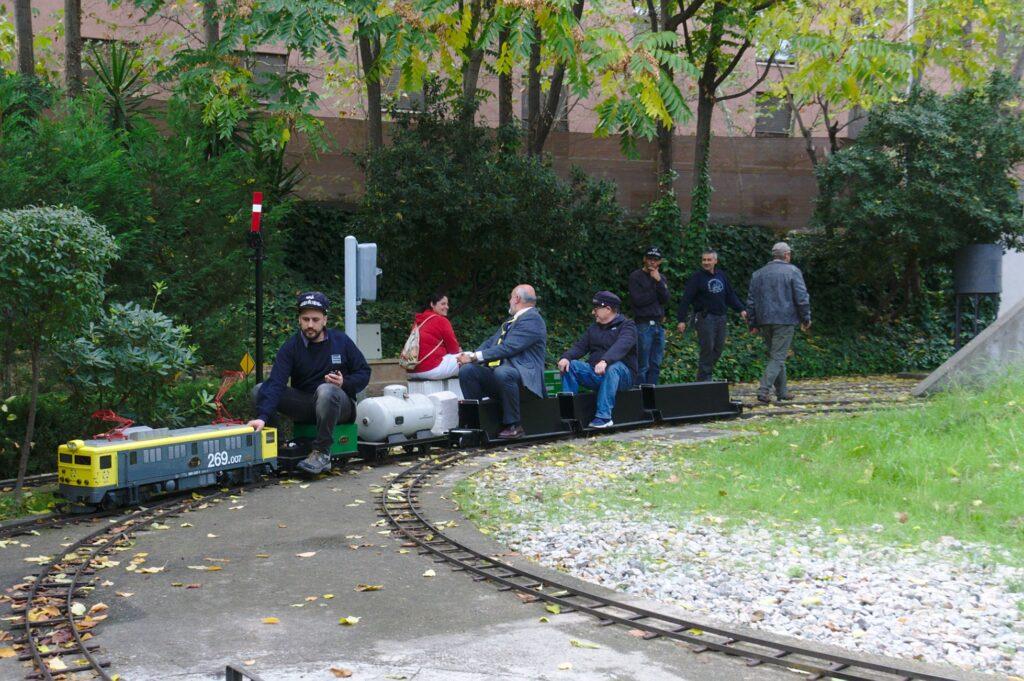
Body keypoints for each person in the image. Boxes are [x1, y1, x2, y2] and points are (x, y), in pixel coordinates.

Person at [248, 292, 371, 474]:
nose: (310, 325)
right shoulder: (291, 347)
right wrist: (263, 416)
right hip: (307, 405)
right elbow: (276, 383)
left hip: (340, 406)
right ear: (299, 320)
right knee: (260, 390)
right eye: (305, 319)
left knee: (326, 390)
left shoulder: (341, 341)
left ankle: (321, 452)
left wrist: (344, 382)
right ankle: (279, 447)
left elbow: (364, 372)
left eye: (315, 319)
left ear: (325, 320)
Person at [457, 284, 547, 439]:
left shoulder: (533, 319)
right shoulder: (511, 321)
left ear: (517, 298)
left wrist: (474, 357)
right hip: (503, 376)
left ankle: (514, 425)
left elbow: (509, 348)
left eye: (511, 297)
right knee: (468, 370)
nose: (509, 301)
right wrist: (469, 356)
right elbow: (492, 342)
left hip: (525, 382)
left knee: (503, 372)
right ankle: (476, 422)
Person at [558, 291, 638, 428]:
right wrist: (566, 357)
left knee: (613, 368)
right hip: (597, 372)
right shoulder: (593, 328)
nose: (593, 312)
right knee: (571, 365)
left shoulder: (627, 326)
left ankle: (604, 417)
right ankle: (568, 413)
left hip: (623, 376)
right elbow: (580, 346)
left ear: (608, 309)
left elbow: (622, 346)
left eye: (596, 309)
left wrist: (605, 361)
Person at [745, 242, 811, 404]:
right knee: (779, 356)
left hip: (764, 320)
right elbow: (802, 298)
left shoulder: (758, 274)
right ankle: (763, 389)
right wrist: (806, 317)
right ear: (787, 255)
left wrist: (752, 323)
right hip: (785, 319)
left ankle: (782, 391)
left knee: (776, 356)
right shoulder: (793, 271)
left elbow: (751, 301)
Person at [676, 250, 748, 381]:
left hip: (721, 317)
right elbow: (686, 298)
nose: (706, 262)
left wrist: (741, 310)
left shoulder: (721, 275)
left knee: (718, 349)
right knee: (707, 348)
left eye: (709, 260)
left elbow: (730, 295)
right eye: (704, 260)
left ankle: (703, 377)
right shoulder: (697, 277)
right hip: (705, 317)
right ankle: (705, 381)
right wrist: (681, 320)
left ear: (715, 261)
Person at [628, 246, 669, 385]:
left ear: (660, 262)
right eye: (650, 258)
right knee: (643, 365)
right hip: (643, 324)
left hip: (658, 325)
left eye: (655, 260)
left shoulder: (661, 278)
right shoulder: (635, 277)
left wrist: (658, 281)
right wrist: (655, 287)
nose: (652, 262)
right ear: (644, 259)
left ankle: (653, 397)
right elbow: (638, 301)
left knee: (655, 364)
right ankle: (640, 398)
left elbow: (665, 299)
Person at [406, 292, 462, 380]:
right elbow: (454, 350)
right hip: (430, 369)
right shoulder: (441, 320)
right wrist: (459, 350)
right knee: (469, 357)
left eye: (447, 304)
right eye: (443, 304)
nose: (447, 307)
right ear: (432, 304)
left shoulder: (419, 321)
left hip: (412, 370)